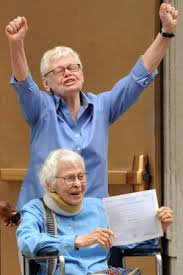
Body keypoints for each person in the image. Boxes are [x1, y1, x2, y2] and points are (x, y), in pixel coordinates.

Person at [4, 3, 178, 211]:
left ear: (82, 73)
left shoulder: (102, 107)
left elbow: (137, 78)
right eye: (58, 71)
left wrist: (166, 33)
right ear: (46, 83)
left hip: (91, 216)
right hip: (46, 217)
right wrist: (16, 43)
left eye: (73, 67)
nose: (68, 73)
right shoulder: (41, 108)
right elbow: (24, 85)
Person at [17, 149, 174, 275]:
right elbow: (26, 242)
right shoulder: (36, 209)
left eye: (81, 177)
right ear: (49, 184)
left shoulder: (98, 207)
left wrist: (158, 227)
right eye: (70, 178)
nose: (78, 184)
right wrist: (76, 241)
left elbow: (130, 242)